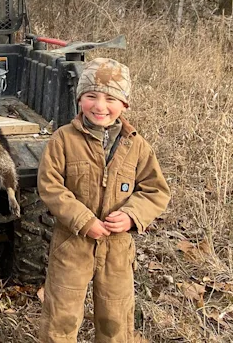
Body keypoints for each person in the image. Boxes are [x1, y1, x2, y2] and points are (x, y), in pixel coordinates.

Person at [38, 57, 170, 342]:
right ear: (79, 100)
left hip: (117, 250)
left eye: (110, 98)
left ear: (124, 105)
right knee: (61, 317)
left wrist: (132, 216)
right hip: (70, 246)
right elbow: (50, 185)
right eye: (91, 96)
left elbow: (155, 190)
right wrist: (83, 220)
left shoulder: (136, 146)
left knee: (115, 321)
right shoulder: (63, 140)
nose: (99, 106)